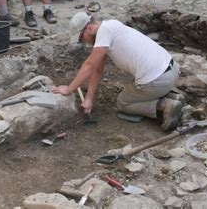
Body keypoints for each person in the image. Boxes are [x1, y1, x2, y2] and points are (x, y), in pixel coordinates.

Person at [52, 13, 182, 131]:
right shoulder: (111, 26)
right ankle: (173, 96)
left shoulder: (104, 33)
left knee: (123, 102)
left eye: (81, 38)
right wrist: (89, 98)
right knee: (138, 89)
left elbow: (90, 65)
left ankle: (165, 105)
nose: (83, 43)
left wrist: (69, 89)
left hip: (157, 81)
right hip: (172, 72)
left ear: (89, 29)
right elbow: (97, 69)